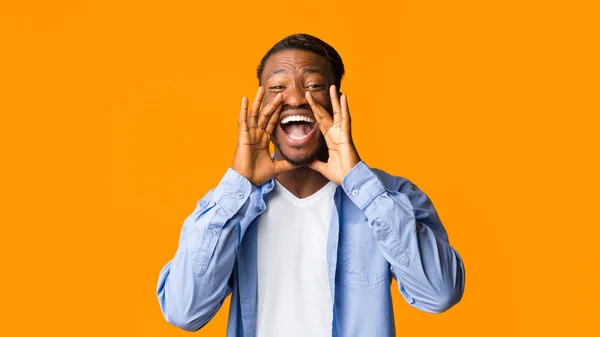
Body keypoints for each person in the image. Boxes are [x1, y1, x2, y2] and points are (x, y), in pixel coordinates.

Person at [156, 33, 465, 337]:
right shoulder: (230, 206)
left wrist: (362, 184)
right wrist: (237, 186)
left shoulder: (391, 196)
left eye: (314, 86)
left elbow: (439, 294)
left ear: (337, 102)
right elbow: (185, 311)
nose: (294, 98)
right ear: (260, 103)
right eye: (277, 87)